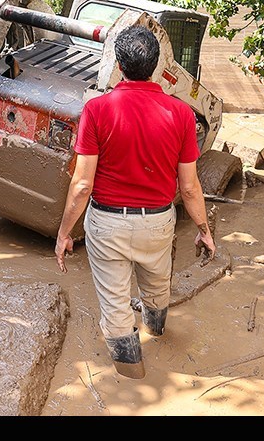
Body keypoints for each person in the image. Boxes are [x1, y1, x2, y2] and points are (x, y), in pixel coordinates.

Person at [54, 24, 216, 379]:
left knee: (115, 305)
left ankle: (132, 382)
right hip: (158, 222)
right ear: (157, 66)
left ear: (118, 63)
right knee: (157, 286)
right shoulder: (181, 114)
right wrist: (204, 230)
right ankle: (156, 332)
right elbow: (189, 188)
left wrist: (64, 232)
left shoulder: (97, 110)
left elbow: (82, 184)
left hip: (107, 223)